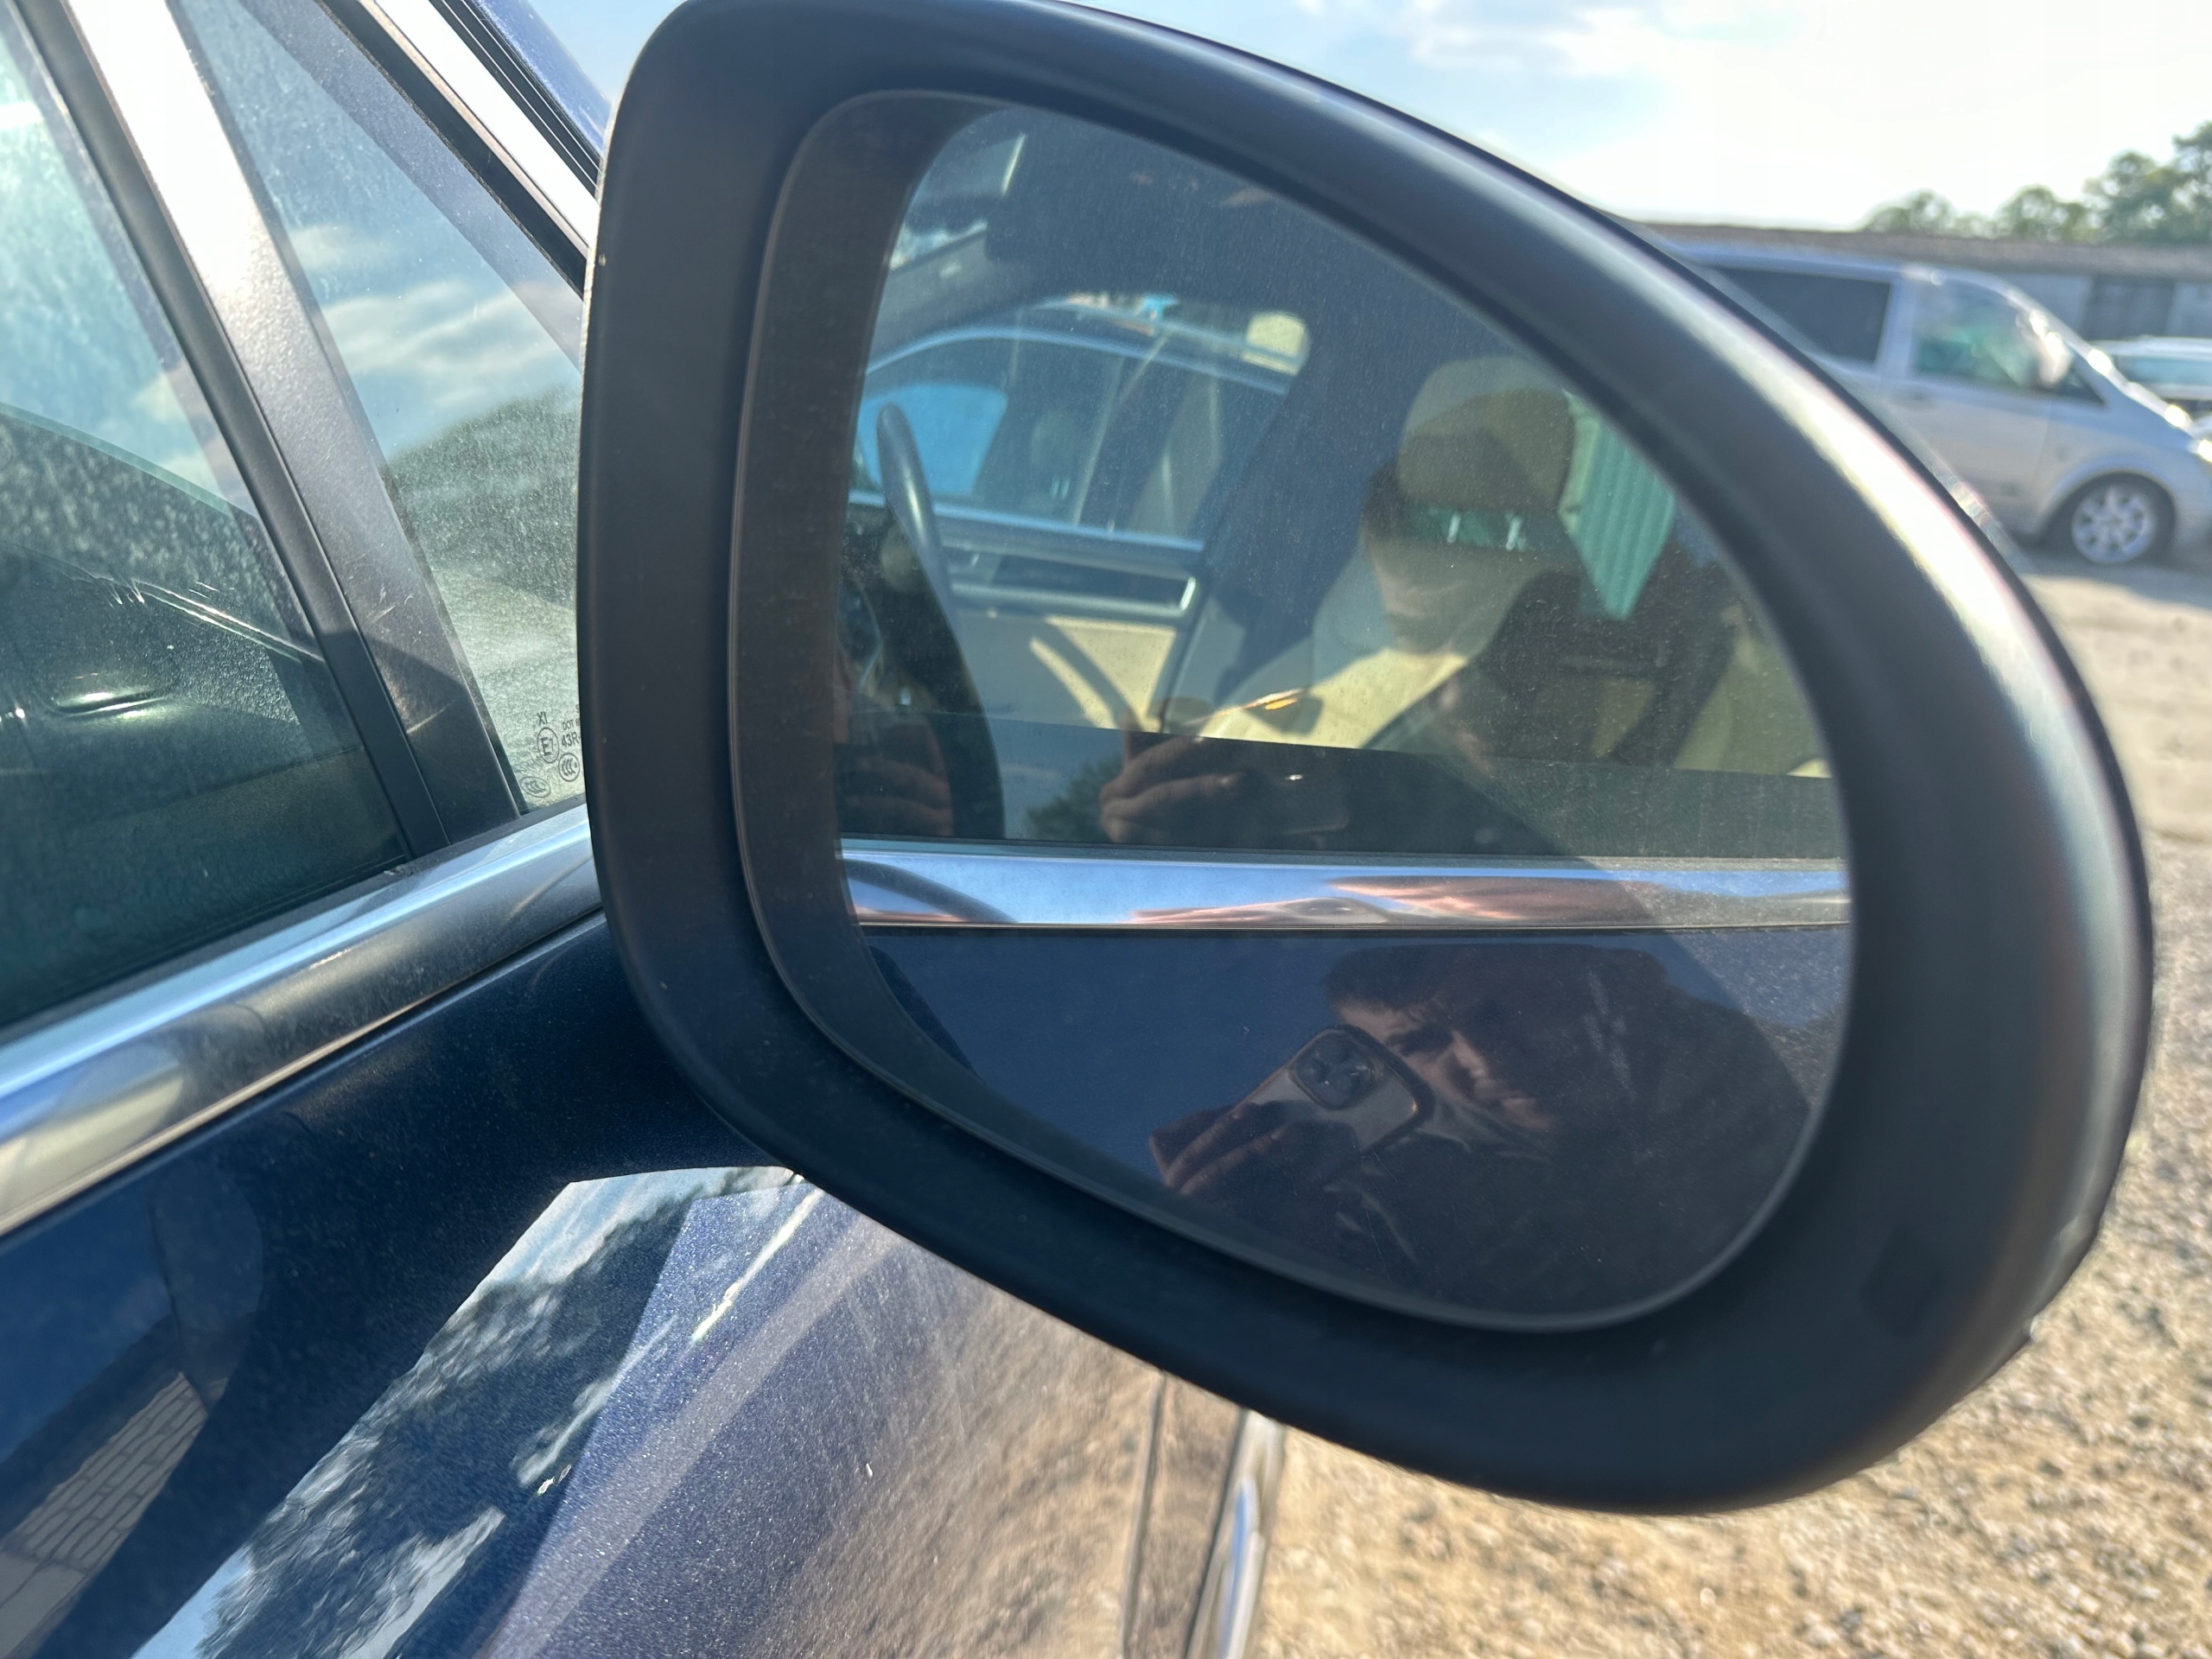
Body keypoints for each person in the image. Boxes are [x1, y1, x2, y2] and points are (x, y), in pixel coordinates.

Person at [1149, 941, 1812, 1318]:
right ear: (1389, 1063)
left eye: (1497, 1011)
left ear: (1590, 976)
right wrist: (1276, 1265)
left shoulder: (1756, 1059)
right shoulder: (1393, 1198)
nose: (1490, 1061)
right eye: (1422, 1042)